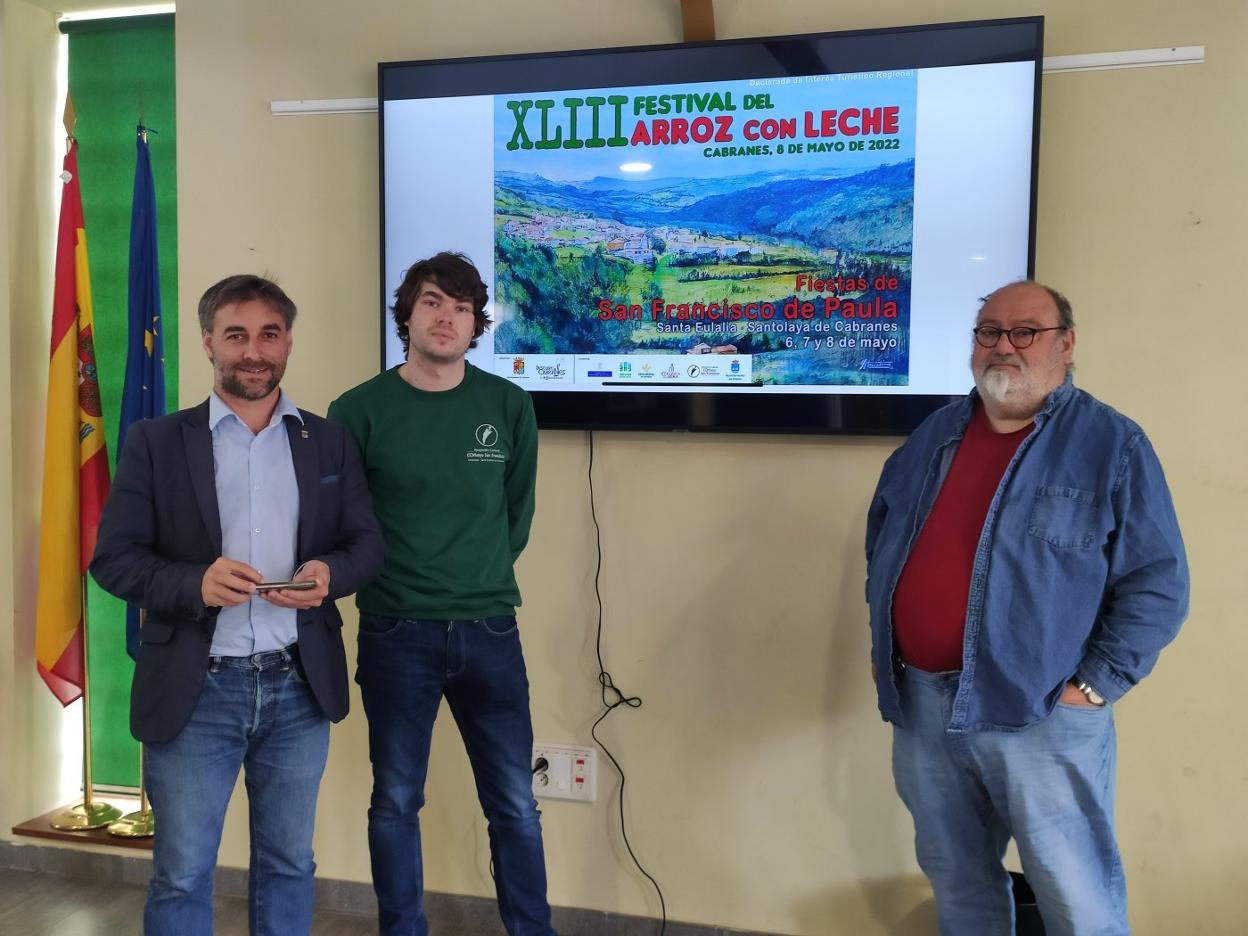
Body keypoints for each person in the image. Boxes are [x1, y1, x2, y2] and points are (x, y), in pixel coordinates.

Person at [864, 281, 1189, 935]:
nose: (1003, 347)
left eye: (1025, 332)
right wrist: (890, 642)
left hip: (1042, 713)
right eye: (989, 332)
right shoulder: (933, 435)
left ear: (1065, 345)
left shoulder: (1112, 444)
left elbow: (1159, 583)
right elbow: (883, 541)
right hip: (924, 706)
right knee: (959, 886)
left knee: (1078, 900)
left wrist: (1092, 687)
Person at [90, 274, 384, 936]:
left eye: (269, 335)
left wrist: (330, 573)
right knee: (182, 874)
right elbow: (113, 559)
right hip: (197, 691)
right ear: (208, 343)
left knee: (289, 866)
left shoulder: (329, 442)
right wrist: (194, 583)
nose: (254, 352)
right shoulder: (156, 442)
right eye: (236, 335)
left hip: (298, 687)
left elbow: (367, 545)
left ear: (288, 342)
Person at [328, 252, 551, 936]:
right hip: (396, 631)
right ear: (407, 314)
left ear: (477, 323)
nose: (447, 317)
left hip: (490, 629)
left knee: (514, 802)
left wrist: (473, 575)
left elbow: (516, 515)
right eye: (432, 302)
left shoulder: (508, 405)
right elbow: (346, 523)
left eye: (461, 307)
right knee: (395, 801)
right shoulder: (357, 411)